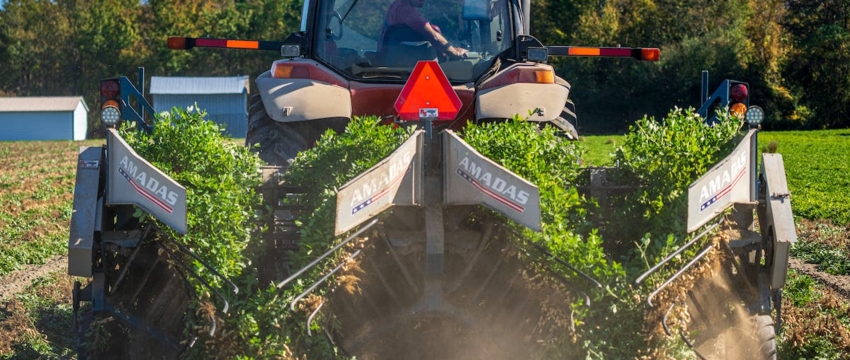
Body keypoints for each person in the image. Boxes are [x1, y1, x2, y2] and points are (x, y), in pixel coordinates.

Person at [377, 0, 468, 58]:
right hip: (409, 67)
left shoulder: (397, 5)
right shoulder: (406, 10)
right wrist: (454, 52)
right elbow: (433, 36)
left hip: (394, 62)